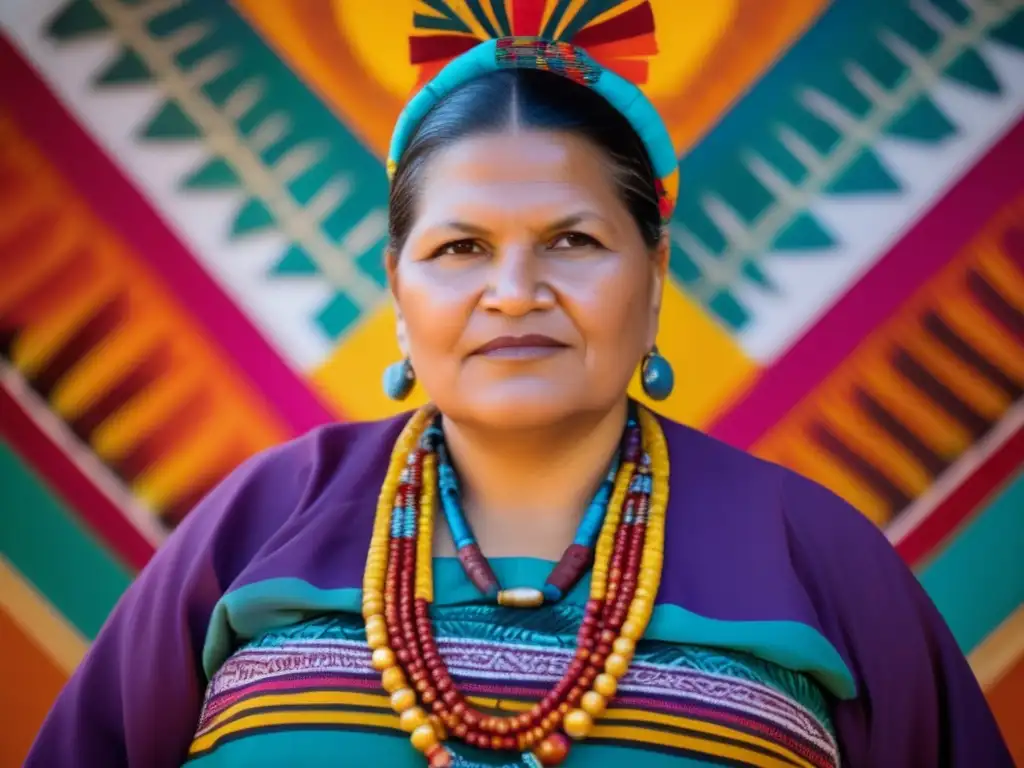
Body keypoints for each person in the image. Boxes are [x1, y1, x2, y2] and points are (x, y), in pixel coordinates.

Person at [27, 31, 1011, 768]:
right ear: (398, 291)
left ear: (655, 275)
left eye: (572, 241)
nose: (513, 291)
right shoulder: (264, 520)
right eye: (459, 249)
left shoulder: (815, 556)